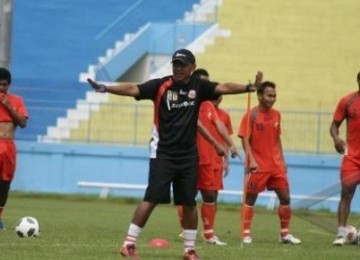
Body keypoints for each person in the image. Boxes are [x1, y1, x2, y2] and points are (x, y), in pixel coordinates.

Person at [87, 48, 263, 259]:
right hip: (163, 153)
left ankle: (189, 250)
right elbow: (134, 88)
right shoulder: (160, 85)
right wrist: (106, 88)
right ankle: (129, 244)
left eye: (182, 65)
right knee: (151, 198)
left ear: (192, 68)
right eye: (175, 64)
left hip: (188, 155)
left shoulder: (199, 86)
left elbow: (224, 86)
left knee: (189, 202)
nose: (178, 68)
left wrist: (249, 87)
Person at [177, 68, 237, 246]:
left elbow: (219, 126)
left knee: (210, 195)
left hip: (208, 159)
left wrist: (231, 145)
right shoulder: (185, 103)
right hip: (189, 157)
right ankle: (185, 229)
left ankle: (209, 234)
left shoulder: (209, 105)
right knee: (187, 196)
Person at [237, 81, 301, 245]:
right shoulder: (251, 115)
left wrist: (282, 160)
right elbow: (244, 139)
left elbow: (277, 138)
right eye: (269, 95)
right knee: (250, 199)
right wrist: (250, 159)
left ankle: (284, 234)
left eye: (274, 96)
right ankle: (245, 233)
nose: (272, 99)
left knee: (285, 198)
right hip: (258, 165)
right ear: (259, 96)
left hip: (276, 165)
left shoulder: (277, 114)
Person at [330, 71, 360, 246]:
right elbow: (334, 126)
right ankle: (341, 233)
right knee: (346, 193)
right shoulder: (347, 101)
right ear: (358, 80)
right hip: (352, 158)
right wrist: (336, 139)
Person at [0, 68, 29, 229]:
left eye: (3, 85)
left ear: (9, 85)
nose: (0, 88)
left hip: (9, 146)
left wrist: (9, 106)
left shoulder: (16, 100)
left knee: (4, 185)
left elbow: (23, 123)